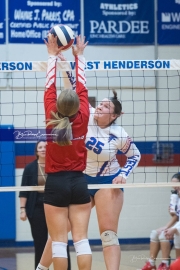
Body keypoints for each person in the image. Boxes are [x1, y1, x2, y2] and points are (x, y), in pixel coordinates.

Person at [35, 51, 141, 270]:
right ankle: (41, 268)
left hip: (107, 181)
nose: (99, 108)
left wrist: (123, 174)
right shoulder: (85, 114)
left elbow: (135, 155)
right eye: (100, 104)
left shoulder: (119, 134)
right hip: (80, 179)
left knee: (108, 234)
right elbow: (73, 90)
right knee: (60, 231)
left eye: (105, 108)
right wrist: (66, 67)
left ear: (114, 116)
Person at [40, 34, 92, 270]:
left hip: (56, 183)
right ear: (79, 106)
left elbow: (49, 85)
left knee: (59, 242)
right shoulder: (83, 116)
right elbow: (83, 85)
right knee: (81, 239)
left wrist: (51, 56)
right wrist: (78, 56)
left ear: (58, 104)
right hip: (79, 182)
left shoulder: (51, 114)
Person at [19, 140, 71, 270]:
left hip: (56, 204)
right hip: (36, 206)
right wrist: (22, 209)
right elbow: (23, 190)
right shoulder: (30, 168)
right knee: (40, 243)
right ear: (36, 151)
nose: (43, 149)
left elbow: (65, 187)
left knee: (60, 239)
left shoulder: (58, 165)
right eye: (40, 147)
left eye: (45, 147)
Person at [141, 173, 180, 270]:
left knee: (164, 235)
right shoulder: (176, 196)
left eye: (176, 183)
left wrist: (172, 229)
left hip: (178, 228)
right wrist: (167, 226)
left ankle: (165, 264)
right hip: (178, 226)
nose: (173, 186)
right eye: (172, 183)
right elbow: (176, 216)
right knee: (155, 233)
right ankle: (151, 263)